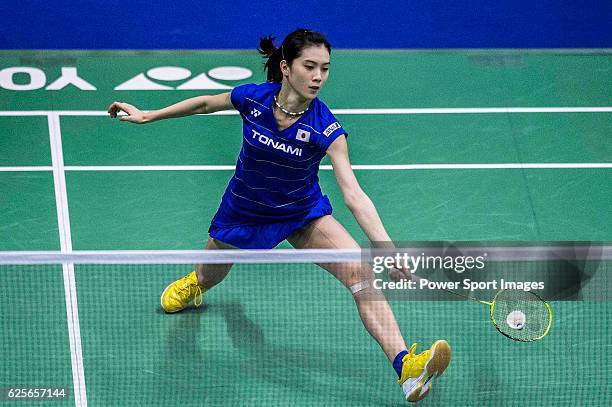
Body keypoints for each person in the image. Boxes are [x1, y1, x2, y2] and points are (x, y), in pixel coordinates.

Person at [107, 28, 450, 403]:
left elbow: (353, 194)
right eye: (310, 66)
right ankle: (197, 283)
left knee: (360, 273)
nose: (318, 76)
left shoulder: (326, 128)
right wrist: (148, 116)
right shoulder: (253, 99)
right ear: (286, 67)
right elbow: (206, 103)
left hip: (301, 213)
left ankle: (406, 368)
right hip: (243, 211)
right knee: (209, 275)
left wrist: (385, 246)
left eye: (325, 68)